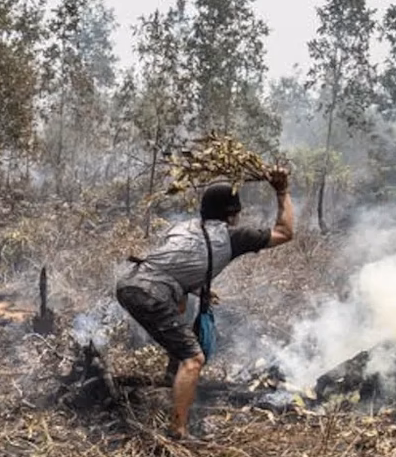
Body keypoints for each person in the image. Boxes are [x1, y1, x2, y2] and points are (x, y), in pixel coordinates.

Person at [116, 168, 295, 438]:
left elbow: (173, 263)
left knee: (181, 318)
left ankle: (170, 378)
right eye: (237, 213)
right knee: (194, 359)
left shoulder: (182, 228)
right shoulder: (232, 236)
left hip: (129, 284)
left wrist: (198, 290)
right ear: (232, 214)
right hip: (152, 293)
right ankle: (178, 430)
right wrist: (281, 191)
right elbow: (285, 231)